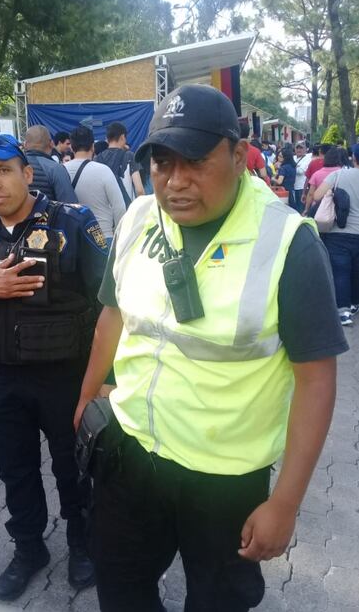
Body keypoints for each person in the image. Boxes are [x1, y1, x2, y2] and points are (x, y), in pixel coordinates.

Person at [73, 85, 348, 612]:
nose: (176, 181)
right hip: (132, 452)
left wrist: (285, 503)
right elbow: (113, 314)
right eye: (162, 163)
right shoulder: (137, 219)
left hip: (225, 479)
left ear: (239, 156)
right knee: (121, 589)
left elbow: (316, 379)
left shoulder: (289, 244)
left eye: (196, 162)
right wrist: (86, 395)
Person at [0, 132, 108, 601]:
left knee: (74, 469)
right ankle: (29, 548)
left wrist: (106, 380)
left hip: (66, 378)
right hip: (4, 379)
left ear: (27, 173)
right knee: (16, 469)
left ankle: (81, 544)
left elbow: (109, 304)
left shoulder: (72, 222)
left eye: (3, 170)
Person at [313, 144, 359, 326]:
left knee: (341, 272)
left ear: (354, 158)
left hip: (339, 233)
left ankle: (343, 312)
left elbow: (317, 196)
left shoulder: (339, 175)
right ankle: (355, 303)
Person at [64, 126, 126, 245]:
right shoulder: (103, 170)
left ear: (71, 147)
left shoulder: (62, 170)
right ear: (93, 146)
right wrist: (118, 235)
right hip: (103, 236)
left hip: (73, 238)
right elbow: (119, 207)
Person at [23, 125, 78, 203]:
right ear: (51, 143)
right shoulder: (56, 169)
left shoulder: (14, 167)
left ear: (25, 144)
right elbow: (70, 204)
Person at [95, 121, 145, 203]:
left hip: (106, 208)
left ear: (107, 139)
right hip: (127, 207)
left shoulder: (97, 159)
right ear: (122, 137)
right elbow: (139, 190)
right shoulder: (129, 156)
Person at [303, 147, 342, 215]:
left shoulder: (316, 174)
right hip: (338, 207)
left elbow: (310, 194)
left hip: (318, 209)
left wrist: (306, 209)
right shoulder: (342, 172)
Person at [293, 141, 312, 213]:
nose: (299, 150)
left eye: (301, 148)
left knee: (301, 209)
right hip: (293, 188)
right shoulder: (293, 157)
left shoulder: (308, 158)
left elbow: (301, 171)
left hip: (302, 188)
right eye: (297, 148)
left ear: (305, 149)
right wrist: (296, 167)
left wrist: (293, 167)